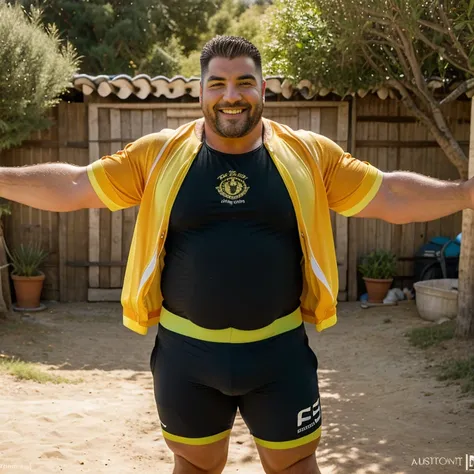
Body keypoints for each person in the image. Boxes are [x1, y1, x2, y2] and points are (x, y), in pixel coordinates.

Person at [1, 35, 473, 474]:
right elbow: (75, 183)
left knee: (295, 467)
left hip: (279, 356)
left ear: (263, 89)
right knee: (195, 467)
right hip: (186, 358)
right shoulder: (159, 155)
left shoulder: (308, 155)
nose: (232, 95)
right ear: (201, 92)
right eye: (218, 83)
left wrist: (466, 193)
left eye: (245, 82)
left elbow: (389, 193)